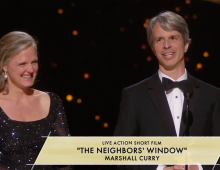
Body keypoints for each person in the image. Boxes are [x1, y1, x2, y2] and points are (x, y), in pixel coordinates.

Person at [114, 11, 220, 170]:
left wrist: (199, 167)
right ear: (153, 48)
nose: (166, 45)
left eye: (173, 38)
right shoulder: (134, 96)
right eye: (159, 39)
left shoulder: (213, 95)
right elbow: (120, 155)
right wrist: (160, 169)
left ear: (186, 44)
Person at [0, 31, 72, 169]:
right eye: (22, 64)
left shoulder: (52, 101)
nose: (31, 69)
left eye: (34, 62)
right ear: (4, 65)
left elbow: (67, 158)